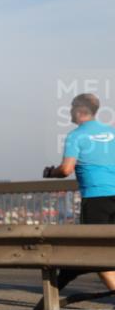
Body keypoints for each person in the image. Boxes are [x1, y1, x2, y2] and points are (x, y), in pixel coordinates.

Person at [44, 93, 115, 291]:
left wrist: (51, 172)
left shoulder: (76, 135)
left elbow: (66, 169)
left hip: (96, 198)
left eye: (71, 108)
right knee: (108, 251)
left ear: (79, 110)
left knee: (95, 251)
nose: (68, 112)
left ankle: (62, 280)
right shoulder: (112, 132)